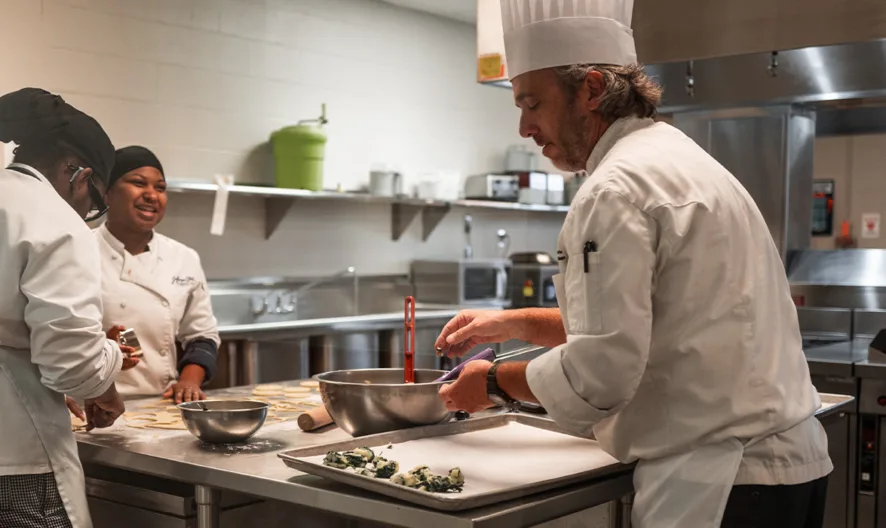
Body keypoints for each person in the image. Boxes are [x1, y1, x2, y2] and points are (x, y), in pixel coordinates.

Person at [436, 2, 832, 527]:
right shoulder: (678, 158)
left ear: (592, 88)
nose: (524, 127)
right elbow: (656, 322)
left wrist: (491, 383)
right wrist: (513, 322)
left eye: (532, 103)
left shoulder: (614, 190)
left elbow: (601, 372)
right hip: (788, 468)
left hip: (720, 483)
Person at [0, 87, 126, 528]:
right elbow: (71, 363)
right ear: (77, 173)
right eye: (95, 201)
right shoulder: (53, 220)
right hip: (16, 458)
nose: (88, 213)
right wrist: (104, 378)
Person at [94, 145, 220, 403]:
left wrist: (188, 382)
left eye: (160, 188)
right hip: (94, 402)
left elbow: (202, 336)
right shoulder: (78, 250)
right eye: (138, 183)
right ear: (107, 193)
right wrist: (100, 350)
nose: (152, 195)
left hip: (162, 402)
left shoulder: (183, 257)